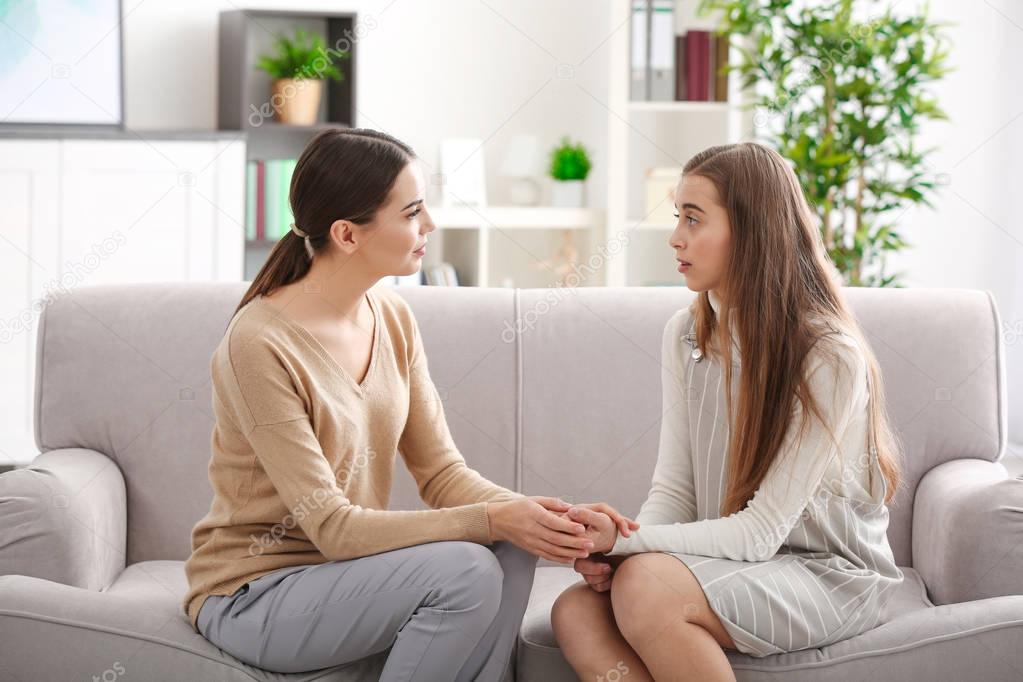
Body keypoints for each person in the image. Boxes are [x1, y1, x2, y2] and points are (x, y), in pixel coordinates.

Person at [181, 127, 638, 681]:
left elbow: (443, 473)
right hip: (254, 595)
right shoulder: (258, 343)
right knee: (467, 567)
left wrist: (551, 519)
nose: (430, 225)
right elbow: (331, 527)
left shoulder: (391, 317)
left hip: (346, 579)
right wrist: (492, 518)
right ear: (348, 234)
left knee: (512, 548)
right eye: (412, 212)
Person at [552, 142, 905, 682]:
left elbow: (760, 534)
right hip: (740, 562)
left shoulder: (829, 355)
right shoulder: (686, 334)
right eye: (678, 218)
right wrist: (620, 552)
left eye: (693, 219)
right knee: (575, 610)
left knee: (645, 586)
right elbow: (675, 494)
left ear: (752, 230)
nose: (676, 237)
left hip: (829, 574)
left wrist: (625, 542)